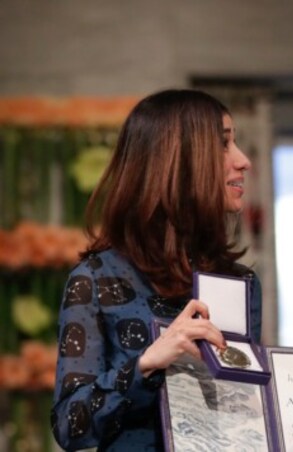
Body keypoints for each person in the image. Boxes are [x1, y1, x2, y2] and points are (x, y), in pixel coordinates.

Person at [51, 89, 260, 451]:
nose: (243, 161)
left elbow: (243, 413)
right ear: (177, 160)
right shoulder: (97, 278)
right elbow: (71, 425)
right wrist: (146, 364)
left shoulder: (240, 281)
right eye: (224, 145)